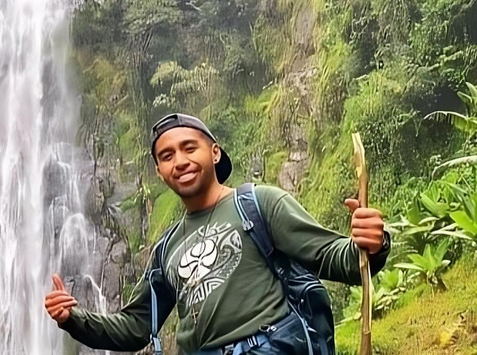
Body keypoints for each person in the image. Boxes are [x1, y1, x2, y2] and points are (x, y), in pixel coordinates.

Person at [44, 113, 390, 354]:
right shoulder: (166, 249)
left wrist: (371, 243)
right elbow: (136, 327)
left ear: (214, 152)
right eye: (167, 156)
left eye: (189, 148)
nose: (179, 161)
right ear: (160, 172)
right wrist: (73, 319)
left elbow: (338, 260)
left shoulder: (259, 203)